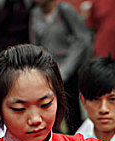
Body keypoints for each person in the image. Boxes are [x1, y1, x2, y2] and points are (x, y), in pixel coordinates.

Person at [29, 0, 92, 134]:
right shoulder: (35, 14)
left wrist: (65, 69)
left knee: (72, 115)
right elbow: (35, 43)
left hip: (68, 72)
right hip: (47, 73)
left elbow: (82, 40)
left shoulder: (65, 11)